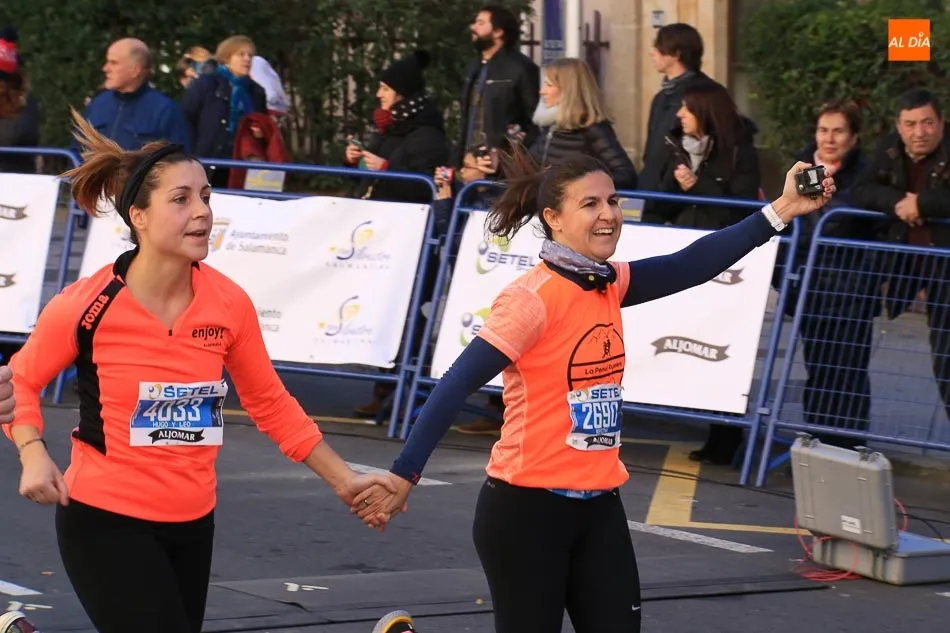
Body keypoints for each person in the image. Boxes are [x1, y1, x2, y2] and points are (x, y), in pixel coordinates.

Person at [355, 148, 836, 633]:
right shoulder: (531, 300)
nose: (608, 214)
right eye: (590, 204)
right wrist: (404, 474)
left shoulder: (608, 282)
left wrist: (782, 209)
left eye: (613, 201)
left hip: (599, 507)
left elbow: (691, 264)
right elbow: (456, 382)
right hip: (526, 511)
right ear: (553, 218)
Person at [0, 108, 402, 633]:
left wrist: (344, 479)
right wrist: (32, 452)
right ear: (139, 217)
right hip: (104, 518)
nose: (202, 212)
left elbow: (271, 403)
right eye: (181, 199)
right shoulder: (86, 305)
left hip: (192, 522)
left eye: (206, 197)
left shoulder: (228, 304)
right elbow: (21, 380)